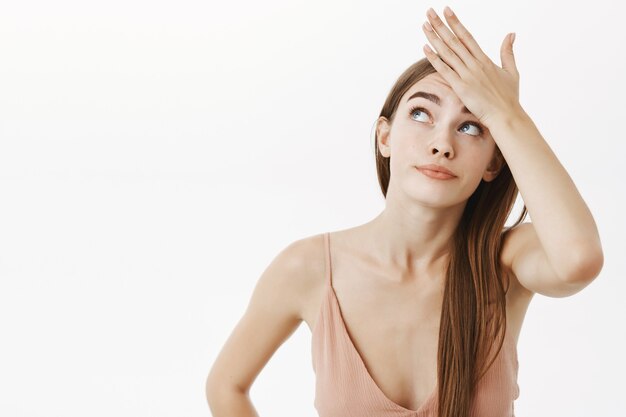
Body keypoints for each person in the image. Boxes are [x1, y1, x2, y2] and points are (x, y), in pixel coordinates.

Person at [206, 6, 604, 417]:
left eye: (471, 126)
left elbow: (579, 259)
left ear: (493, 164)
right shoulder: (309, 268)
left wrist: (506, 113)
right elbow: (226, 386)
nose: (441, 144)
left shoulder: (504, 262)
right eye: (420, 114)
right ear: (385, 137)